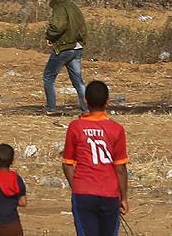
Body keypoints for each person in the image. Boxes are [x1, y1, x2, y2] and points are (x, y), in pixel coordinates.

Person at [62, 80, 129, 236]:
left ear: (85, 100)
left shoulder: (75, 127)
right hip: (109, 193)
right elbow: (120, 168)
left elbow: (67, 164)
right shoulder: (116, 129)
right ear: (107, 101)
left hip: (83, 193)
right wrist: (124, 198)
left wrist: (77, 187)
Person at [43, 0, 88, 115]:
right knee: (78, 81)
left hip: (65, 47)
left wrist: (49, 35)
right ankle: (87, 109)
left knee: (48, 77)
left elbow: (58, 26)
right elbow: (81, 25)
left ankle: (51, 108)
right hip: (77, 47)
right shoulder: (72, 5)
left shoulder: (59, 7)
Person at [0, 143, 27, 236]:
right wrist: (10, 201)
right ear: (13, 161)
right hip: (16, 227)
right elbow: (23, 202)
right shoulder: (17, 178)